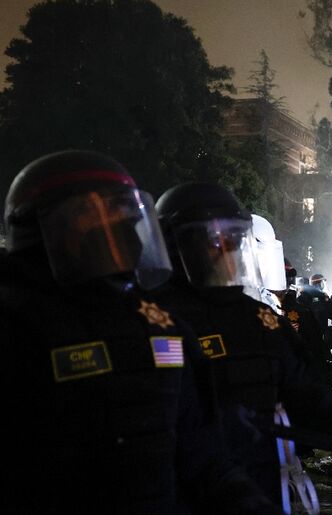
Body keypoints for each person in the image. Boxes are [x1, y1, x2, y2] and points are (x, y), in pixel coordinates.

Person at [0, 151, 279, 513]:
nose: (116, 224)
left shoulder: (158, 324)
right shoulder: (12, 324)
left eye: (123, 213)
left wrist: (243, 498)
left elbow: (198, 451)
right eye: (92, 212)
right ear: (37, 225)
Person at [154, 181, 332, 511]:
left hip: (260, 485)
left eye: (233, 239)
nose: (226, 250)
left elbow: (307, 394)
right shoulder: (153, 322)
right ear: (174, 245)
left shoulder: (258, 318)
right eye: (213, 240)